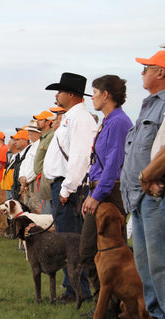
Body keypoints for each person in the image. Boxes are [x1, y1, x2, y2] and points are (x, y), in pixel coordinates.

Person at [75, 75, 132, 317]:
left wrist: (97, 195)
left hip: (110, 192)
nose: (93, 97)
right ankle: (111, 305)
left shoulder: (118, 122)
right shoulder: (109, 121)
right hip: (101, 189)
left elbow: (114, 163)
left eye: (95, 92)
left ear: (106, 95)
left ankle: (110, 307)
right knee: (95, 252)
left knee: (99, 252)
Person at [44, 72, 97, 303]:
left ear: (72, 94)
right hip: (63, 185)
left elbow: (79, 157)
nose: (57, 95)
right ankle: (73, 288)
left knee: (72, 241)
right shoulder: (71, 117)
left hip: (69, 188)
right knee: (68, 241)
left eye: (60, 91)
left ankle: (79, 290)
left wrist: (67, 189)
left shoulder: (80, 119)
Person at [121, 50, 165, 319]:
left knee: (160, 265)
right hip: (138, 196)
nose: (142, 72)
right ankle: (155, 312)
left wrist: (147, 176)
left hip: (153, 195)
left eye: (147, 68)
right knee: (145, 265)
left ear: (161, 72)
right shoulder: (149, 104)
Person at [33, 111, 55, 214]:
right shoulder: (43, 137)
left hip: (48, 179)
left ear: (48, 122)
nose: (37, 122)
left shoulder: (51, 136)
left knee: (48, 212)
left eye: (40, 120)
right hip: (42, 179)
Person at [19, 121, 42, 213]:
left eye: (31, 132)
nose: (29, 134)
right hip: (26, 182)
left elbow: (37, 166)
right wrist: (21, 177)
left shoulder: (40, 145)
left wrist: (26, 179)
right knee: (28, 207)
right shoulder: (31, 147)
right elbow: (24, 164)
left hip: (33, 181)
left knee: (36, 207)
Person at [11, 130, 31, 201]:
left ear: (25, 140)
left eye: (17, 139)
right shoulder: (18, 156)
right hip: (18, 191)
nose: (15, 142)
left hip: (26, 190)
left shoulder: (29, 153)